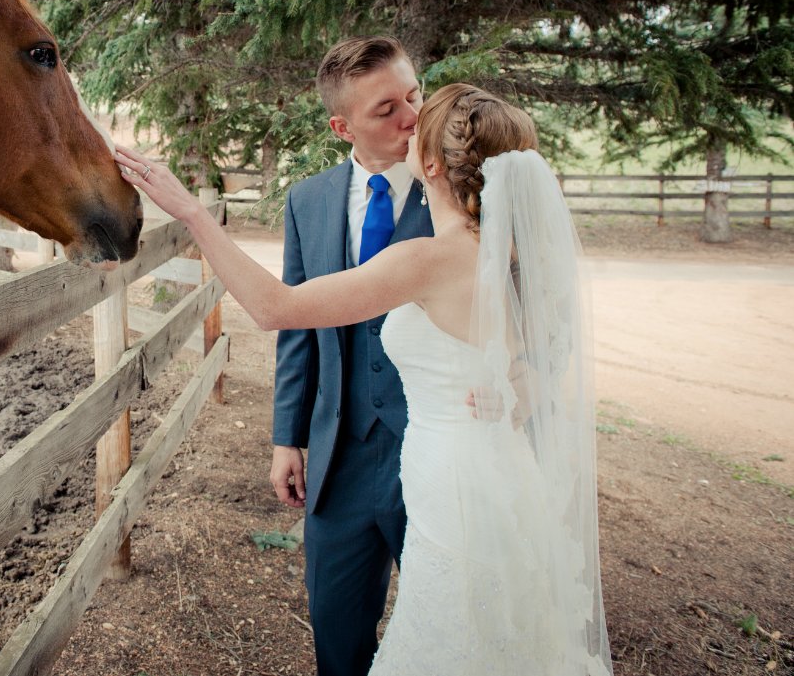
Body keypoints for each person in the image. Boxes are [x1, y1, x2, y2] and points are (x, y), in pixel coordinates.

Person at [116, 83, 613, 675]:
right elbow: (533, 356)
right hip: (495, 473)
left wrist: (194, 212)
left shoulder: (428, 259)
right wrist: (515, 388)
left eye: (417, 117)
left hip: (452, 481)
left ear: (430, 164)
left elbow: (276, 307)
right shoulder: (504, 254)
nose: (407, 122)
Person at [270, 36, 432, 675]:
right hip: (337, 458)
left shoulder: (457, 193)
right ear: (342, 128)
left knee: (446, 629)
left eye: (414, 94)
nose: (412, 117)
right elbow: (296, 331)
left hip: (434, 453)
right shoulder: (306, 201)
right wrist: (287, 437)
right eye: (386, 109)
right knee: (337, 636)